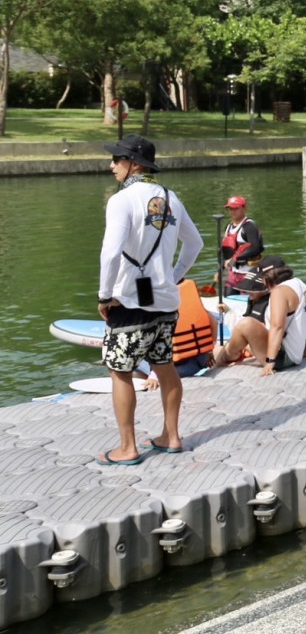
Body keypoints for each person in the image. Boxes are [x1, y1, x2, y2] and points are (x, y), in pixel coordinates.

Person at [97, 134, 203, 464]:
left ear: (134, 164)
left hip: (129, 302)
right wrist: (171, 278)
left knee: (120, 371)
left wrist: (104, 294)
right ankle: (171, 436)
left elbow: (111, 253)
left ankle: (127, 447)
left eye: (118, 159)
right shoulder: (171, 198)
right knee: (164, 365)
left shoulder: (121, 200)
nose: (112, 164)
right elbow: (195, 244)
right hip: (167, 303)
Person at [211, 257, 306, 377]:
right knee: (239, 334)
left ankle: (224, 358)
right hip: (295, 355)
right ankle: (227, 354)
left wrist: (270, 362)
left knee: (246, 324)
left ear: (266, 278)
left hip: (281, 359)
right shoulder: (303, 286)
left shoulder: (279, 291)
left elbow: (277, 327)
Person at [136, 278, 216, 391]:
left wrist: (155, 375)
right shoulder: (186, 295)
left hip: (174, 369)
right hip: (201, 360)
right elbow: (214, 322)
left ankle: (147, 384)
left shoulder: (158, 308)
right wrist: (209, 351)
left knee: (131, 363)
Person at [219, 195, 264, 291]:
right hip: (233, 272)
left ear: (244, 208)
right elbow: (225, 250)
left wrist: (233, 259)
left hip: (248, 272)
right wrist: (221, 269)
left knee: (246, 302)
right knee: (228, 299)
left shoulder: (249, 226)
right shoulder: (228, 227)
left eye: (236, 208)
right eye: (230, 209)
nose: (232, 211)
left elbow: (254, 248)